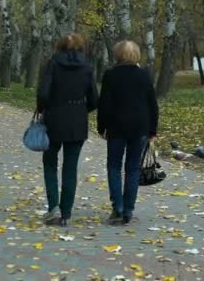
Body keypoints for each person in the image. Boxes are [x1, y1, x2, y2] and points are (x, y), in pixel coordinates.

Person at [37, 33, 99, 226]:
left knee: (49, 163)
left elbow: (44, 93)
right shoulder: (87, 67)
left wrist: (42, 109)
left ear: (60, 46)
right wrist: (80, 109)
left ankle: (53, 207)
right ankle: (66, 212)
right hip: (77, 121)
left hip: (54, 118)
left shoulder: (53, 64)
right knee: (70, 168)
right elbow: (94, 100)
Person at [97, 40, 159, 225]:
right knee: (133, 169)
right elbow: (152, 104)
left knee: (114, 166)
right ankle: (129, 209)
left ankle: (118, 207)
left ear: (118, 55)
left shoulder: (110, 75)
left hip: (116, 127)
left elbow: (104, 104)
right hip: (140, 127)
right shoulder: (144, 75)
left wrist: (101, 127)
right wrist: (153, 130)